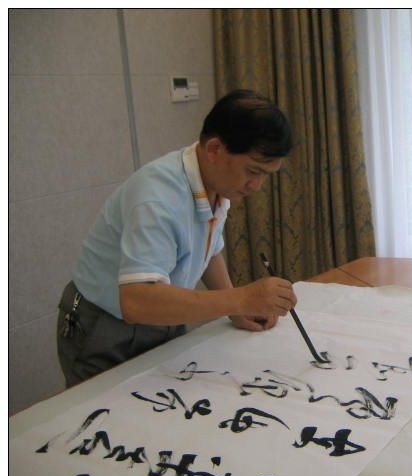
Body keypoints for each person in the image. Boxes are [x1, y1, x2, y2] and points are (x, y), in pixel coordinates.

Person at [57, 89, 298, 387]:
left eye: (266, 175)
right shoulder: (158, 197)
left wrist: (238, 310)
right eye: (253, 171)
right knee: (109, 412)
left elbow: (207, 249)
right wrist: (242, 298)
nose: (257, 185)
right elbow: (136, 301)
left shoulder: (214, 180)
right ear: (214, 149)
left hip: (162, 316)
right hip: (106, 327)